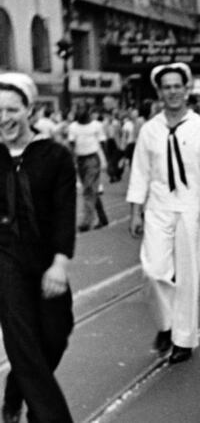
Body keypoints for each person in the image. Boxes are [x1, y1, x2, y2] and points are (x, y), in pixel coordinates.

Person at [126, 63, 200, 364]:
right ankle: (166, 325)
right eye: (166, 87)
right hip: (158, 207)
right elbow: (140, 172)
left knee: (188, 275)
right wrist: (135, 212)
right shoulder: (150, 130)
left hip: (191, 208)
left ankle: (183, 339)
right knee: (153, 271)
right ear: (159, 92)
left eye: (177, 86)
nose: (172, 92)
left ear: (186, 89)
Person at [0, 73, 75, 422]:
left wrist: (59, 263)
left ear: (30, 109)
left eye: (12, 109)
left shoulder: (54, 156)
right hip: (5, 259)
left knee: (55, 335)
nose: (4, 119)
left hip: (47, 257)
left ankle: (16, 390)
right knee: (24, 343)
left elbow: (64, 211)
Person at [68, 106, 109, 232]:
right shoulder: (73, 127)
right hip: (80, 160)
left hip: (92, 159)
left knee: (88, 189)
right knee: (91, 190)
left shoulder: (96, 125)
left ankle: (86, 221)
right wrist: (72, 160)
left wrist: (104, 158)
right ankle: (103, 218)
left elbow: (103, 142)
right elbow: (72, 144)